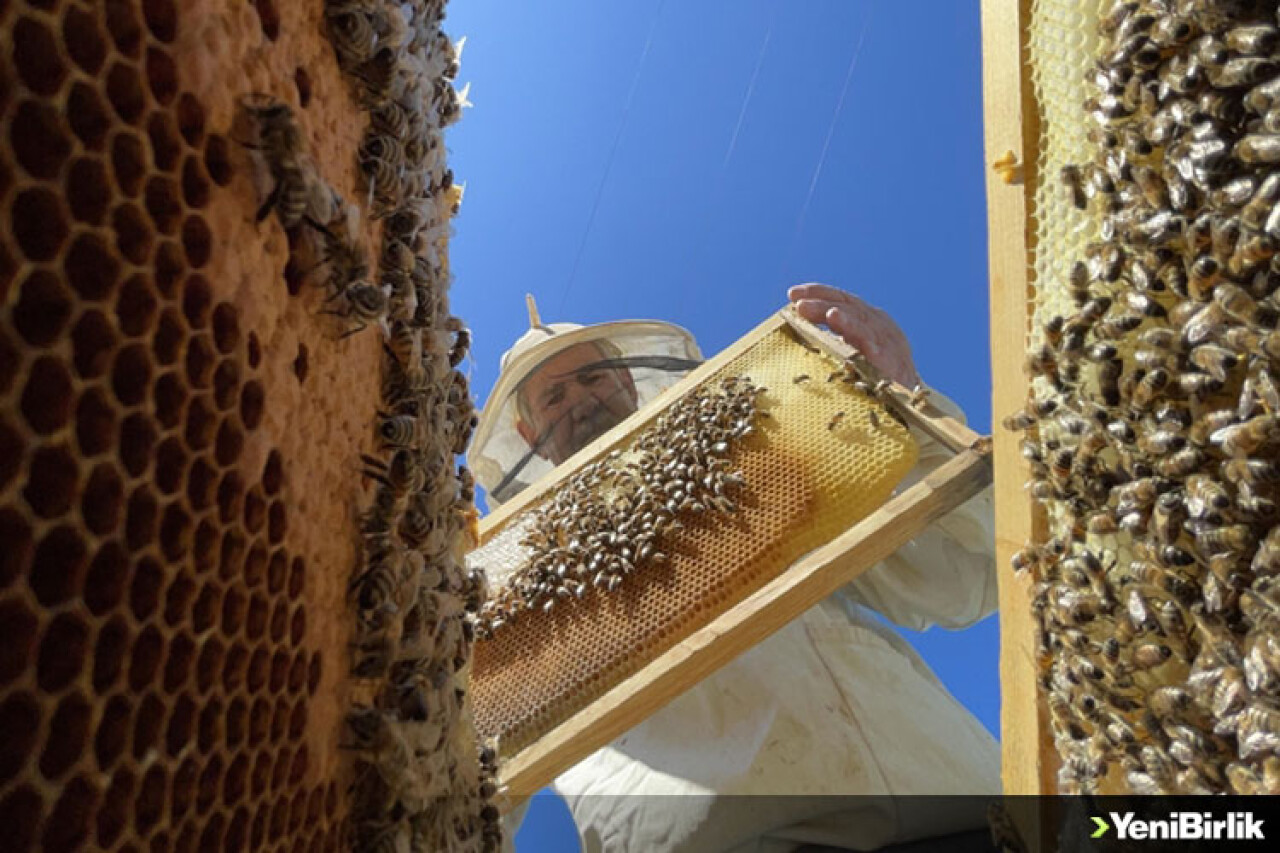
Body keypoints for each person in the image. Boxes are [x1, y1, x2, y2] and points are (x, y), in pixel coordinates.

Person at [469, 285, 1001, 853]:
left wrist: (911, 405)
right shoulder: (507, 578)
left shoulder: (761, 463)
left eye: (593, 378)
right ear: (527, 435)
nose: (580, 399)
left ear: (626, 381)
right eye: (553, 396)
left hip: (960, 816)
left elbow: (963, 579)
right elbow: (457, 779)